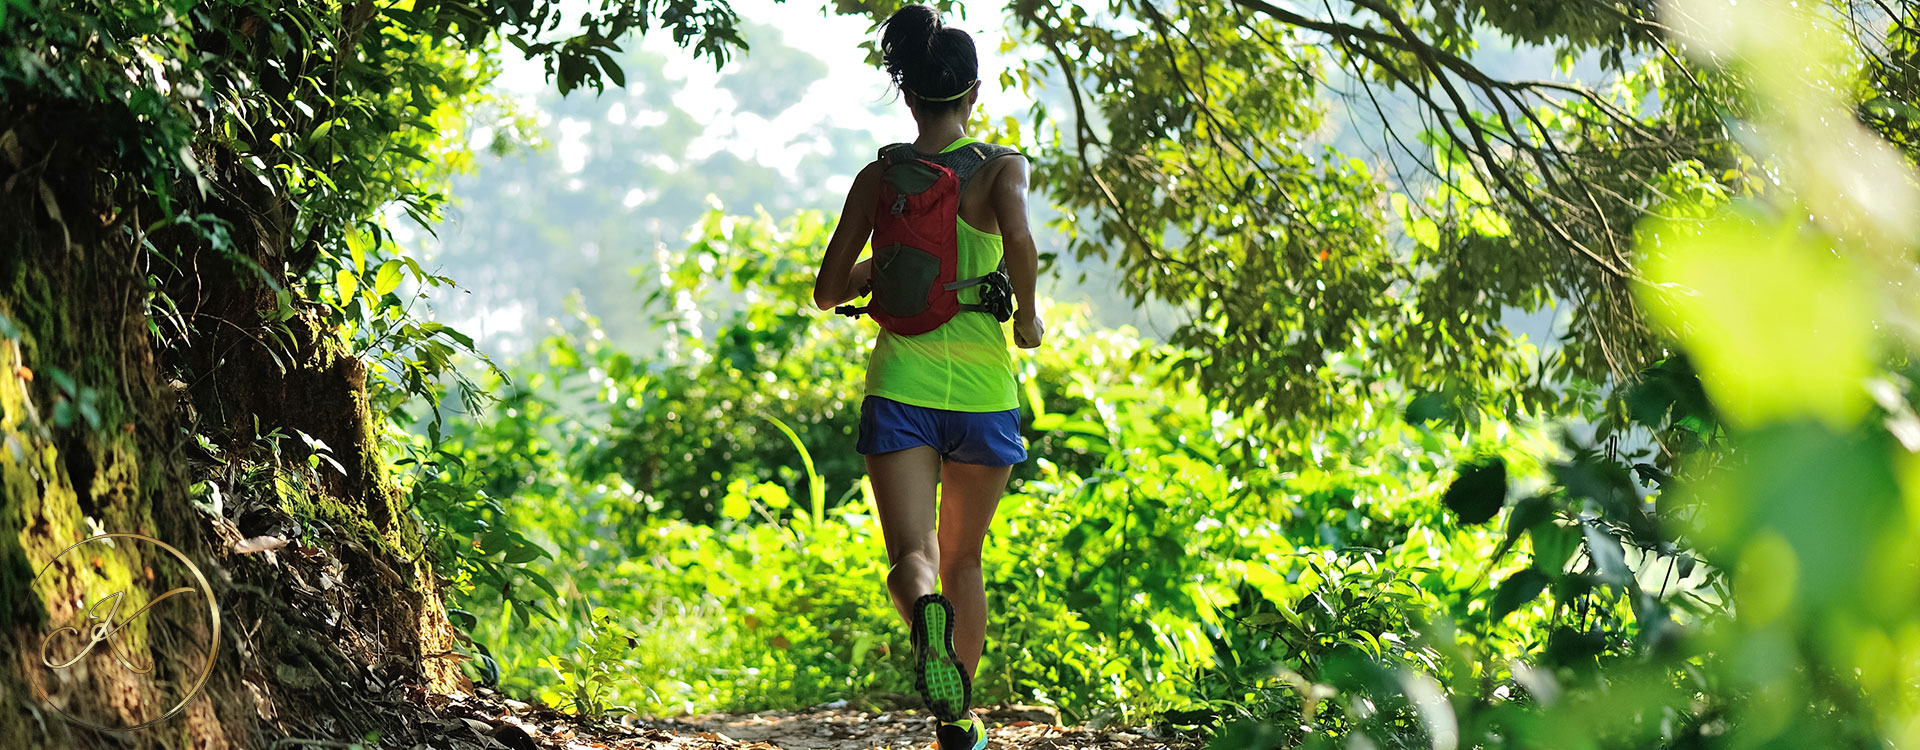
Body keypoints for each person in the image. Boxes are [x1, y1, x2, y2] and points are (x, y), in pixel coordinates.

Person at [811, 5, 1044, 749]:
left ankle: (926, 628)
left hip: (900, 383)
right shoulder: (1003, 167)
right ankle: (960, 723)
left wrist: (902, 267)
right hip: (983, 393)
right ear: (973, 94)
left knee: (913, 558)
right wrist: (1028, 318)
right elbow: (1021, 240)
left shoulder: (880, 179)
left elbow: (828, 289)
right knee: (966, 558)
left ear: (907, 96)